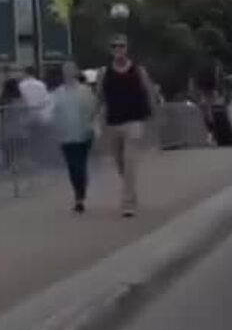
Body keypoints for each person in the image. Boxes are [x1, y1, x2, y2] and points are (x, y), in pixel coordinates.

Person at [96, 35, 155, 217]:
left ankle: (127, 203)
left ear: (127, 48)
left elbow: (149, 92)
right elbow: (100, 96)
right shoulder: (104, 73)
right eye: (115, 46)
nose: (118, 49)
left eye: (121, 46)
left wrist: (154, 114)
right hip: (114, 122)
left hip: (134, 121)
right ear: (111, 50)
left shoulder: (139, 71)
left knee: (130, 162)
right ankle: (131, 191)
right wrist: (94, 116)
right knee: (120, 163)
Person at [50, 62, 97, 212]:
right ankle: (78, 191)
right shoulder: (58, 93)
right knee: (72, 167)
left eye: (70, 70)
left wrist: (91, 126)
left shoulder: (85, 91)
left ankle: (80, 197)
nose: (68, 73)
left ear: (76, 72)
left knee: (80, 164)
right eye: (65, 70)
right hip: (65, 135)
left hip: (83, 134)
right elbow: (53, 112)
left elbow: (93, 109)